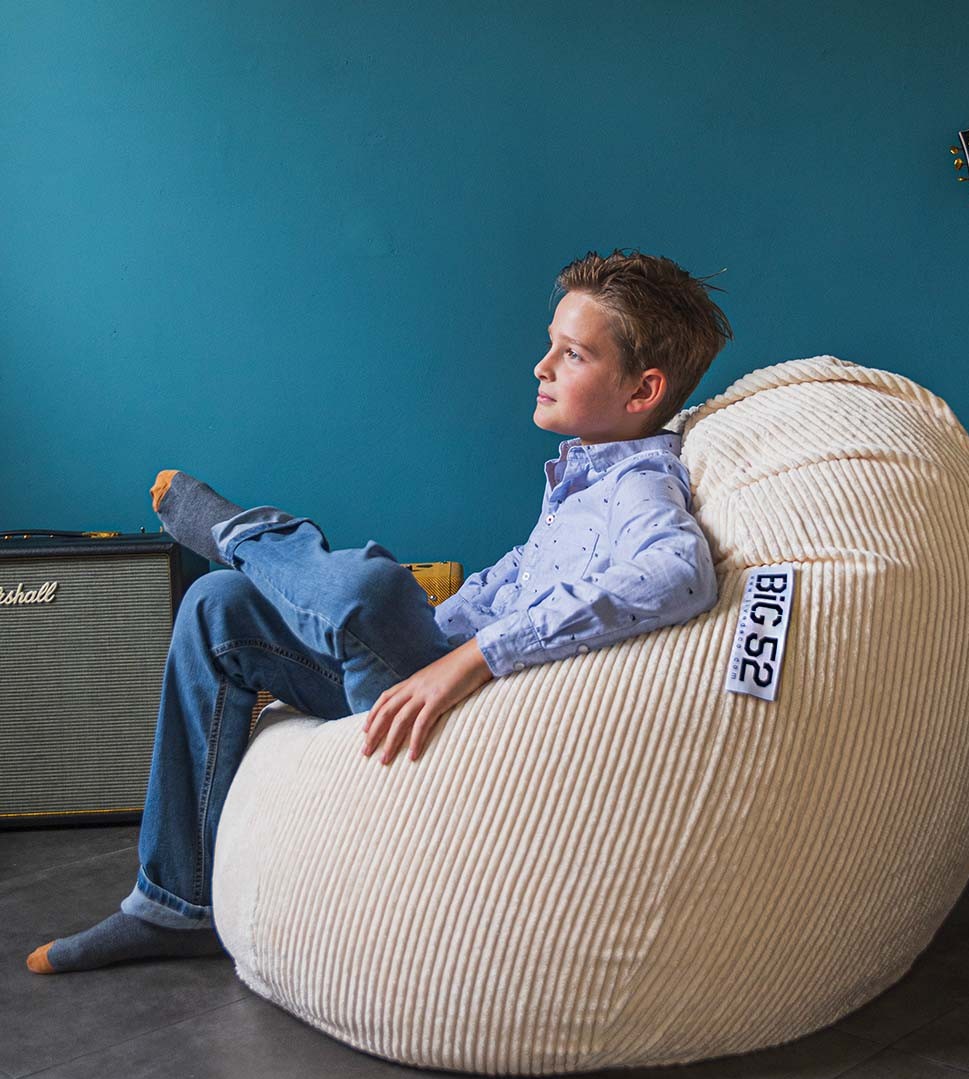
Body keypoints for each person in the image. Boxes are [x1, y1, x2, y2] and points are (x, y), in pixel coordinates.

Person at [26, 248, 733, 974]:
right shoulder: (579, 482)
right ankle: (172, 905)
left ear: (643, 390)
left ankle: (247, 537)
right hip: (422, 671)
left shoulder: (639, 480)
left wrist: (472, 657)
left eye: (572, 354)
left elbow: (679, 574)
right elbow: (506, 585)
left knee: (373, 588)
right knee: (217, 604)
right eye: (550, 345)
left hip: (478, 710)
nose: (541, 366)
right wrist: (439, 624)